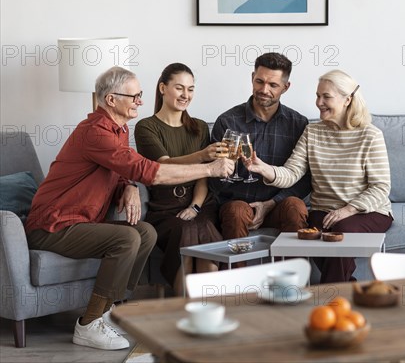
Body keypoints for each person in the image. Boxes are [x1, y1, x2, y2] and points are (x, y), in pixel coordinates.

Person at [25, 66, 234, 351]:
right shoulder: (95, 132)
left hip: (81, 222)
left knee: (145, 232)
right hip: (53, 225)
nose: (140, 102)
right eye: (134, 96)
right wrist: (209, 168)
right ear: (111, 99)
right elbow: (150, 171)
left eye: (140, 95)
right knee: (126, 238)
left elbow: (120, 167)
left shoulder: (119, 129)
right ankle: (88, 324)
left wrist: (128, 186)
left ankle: (109, 310)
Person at [244, 69, 393, 283]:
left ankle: (329, 300)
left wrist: (348, 210)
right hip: (324, 211)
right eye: (317, 95)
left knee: (339, 231)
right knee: (311, 232)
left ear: (347, 99)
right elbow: (292, 172)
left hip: (367, 211)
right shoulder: (312, 132)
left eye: (326, 97)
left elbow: (380, 187)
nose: (319, 102)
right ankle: (343, 290)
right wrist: (264, 168)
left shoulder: (370, 135)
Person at [135, 63, 223, 296]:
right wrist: (202, 156)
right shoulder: (146, 127)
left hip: (200, 204)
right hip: (165, 208)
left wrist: (195, 206)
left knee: (200, 226)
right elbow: (162, 166)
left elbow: (205, 175)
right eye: (180, 88)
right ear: (163, 88)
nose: (186, 95)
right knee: (186, 231)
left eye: (191, 89)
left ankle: (209, 316)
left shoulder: (201, 128)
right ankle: (183, 315)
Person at [209, 52, 311, 244]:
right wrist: (223, 171)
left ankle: (293, 273)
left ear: (286, 87)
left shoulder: (298, 124)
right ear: (252, 78)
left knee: (295, 207)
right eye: (259, 81)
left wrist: (270, 204)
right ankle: (237, 274)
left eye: (273, 85)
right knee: (237, 210)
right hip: (238, 204)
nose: (264, 89)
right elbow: (214, 183)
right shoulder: (227, 121)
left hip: (278, 204)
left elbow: (305, 180)